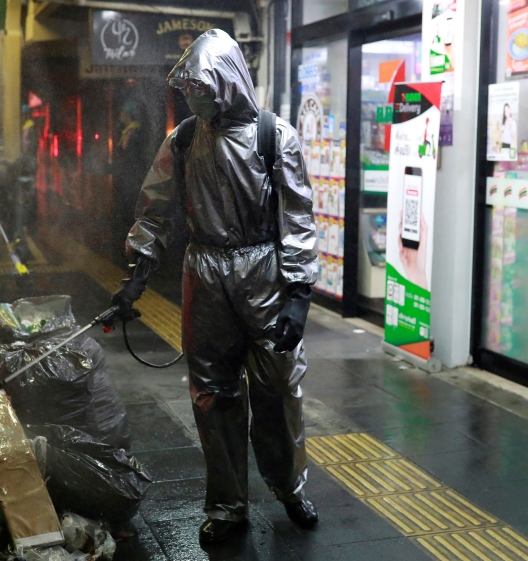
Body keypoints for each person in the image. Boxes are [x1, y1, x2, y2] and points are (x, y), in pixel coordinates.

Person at [111, 29, 319, 544]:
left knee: (277, 388)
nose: (194, 98)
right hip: (203, 274)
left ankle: (289, 486)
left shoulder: (275, 137)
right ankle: (228, 505)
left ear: (227, 82)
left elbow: (296, 216)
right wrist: (136, 275)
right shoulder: (182, 139)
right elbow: (154, 208)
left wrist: (298, 295)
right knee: (212, 393)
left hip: (264, 272)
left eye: (201, 88)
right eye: (188, 90)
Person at [110, 100, 155, 262]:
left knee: (129, 212)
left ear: (127, 114)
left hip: (131, 179)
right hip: (129, 178)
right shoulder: (130, 131)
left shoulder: (134, 133)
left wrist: (114, 168)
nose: (120, 115)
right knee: (129, 212)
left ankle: (132, 250)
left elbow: (130, 159)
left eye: (122, 112)